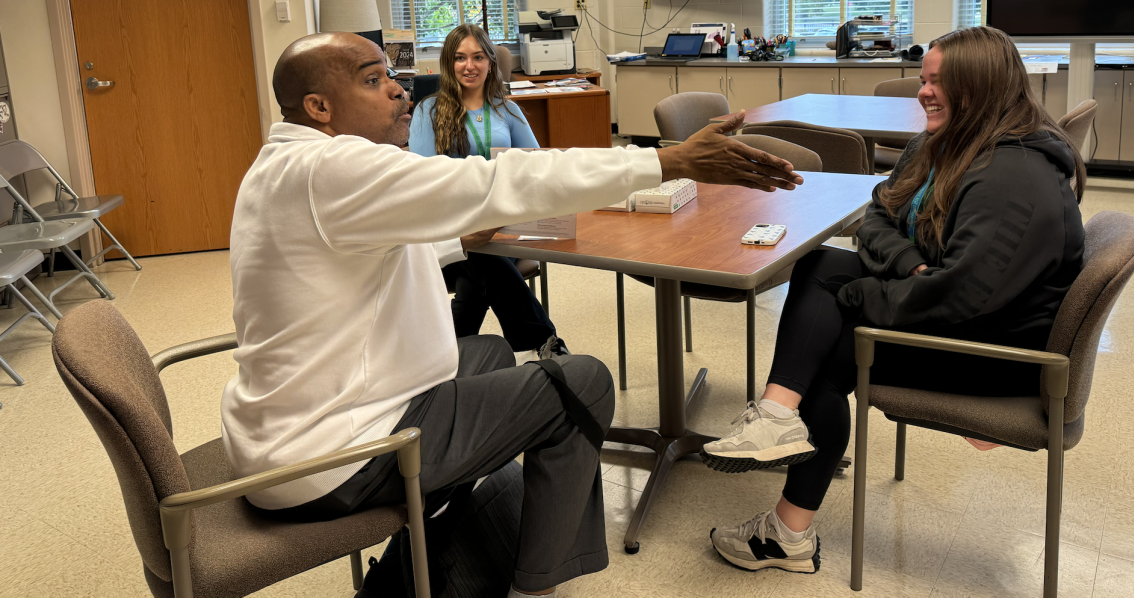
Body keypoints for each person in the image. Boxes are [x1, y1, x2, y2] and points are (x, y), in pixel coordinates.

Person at [220, 31, 801, 598]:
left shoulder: (283, 165)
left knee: (490, 352)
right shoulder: (333, 168)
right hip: (335, 457)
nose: (398, 90)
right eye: (373, 81)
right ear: (319, 107)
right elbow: (501, 175)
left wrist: (458, 241)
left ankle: (432, 554)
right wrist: (664, 160)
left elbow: (373, 247)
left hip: (283, 431)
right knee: (583, 384)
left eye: (392, 76)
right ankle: (536, 584)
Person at [703, 25, 1086, 575]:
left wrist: (857, 296)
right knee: (823, 267)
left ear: (979, 88)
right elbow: (879, 211)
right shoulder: (949, 142)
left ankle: (782, 482)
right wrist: (908, 264)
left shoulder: (1014, 176)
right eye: (924, 79)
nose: (923, 92)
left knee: (828, 334)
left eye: (938, 83)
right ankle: (778, 428)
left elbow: (958, 299)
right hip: (958, 313)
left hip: (992, 354)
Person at [408, 23, 562, 357]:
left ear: (491, 62)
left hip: (505, 225)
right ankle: (545, 341)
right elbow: (422, 180)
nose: (469, 65)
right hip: (452, 230)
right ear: (449, 64)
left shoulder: (507, 110)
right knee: (480, 256)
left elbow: (535, 167)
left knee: (477, 275)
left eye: (478, 57)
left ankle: (440, 355)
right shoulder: (428, 111)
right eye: (460, 57)